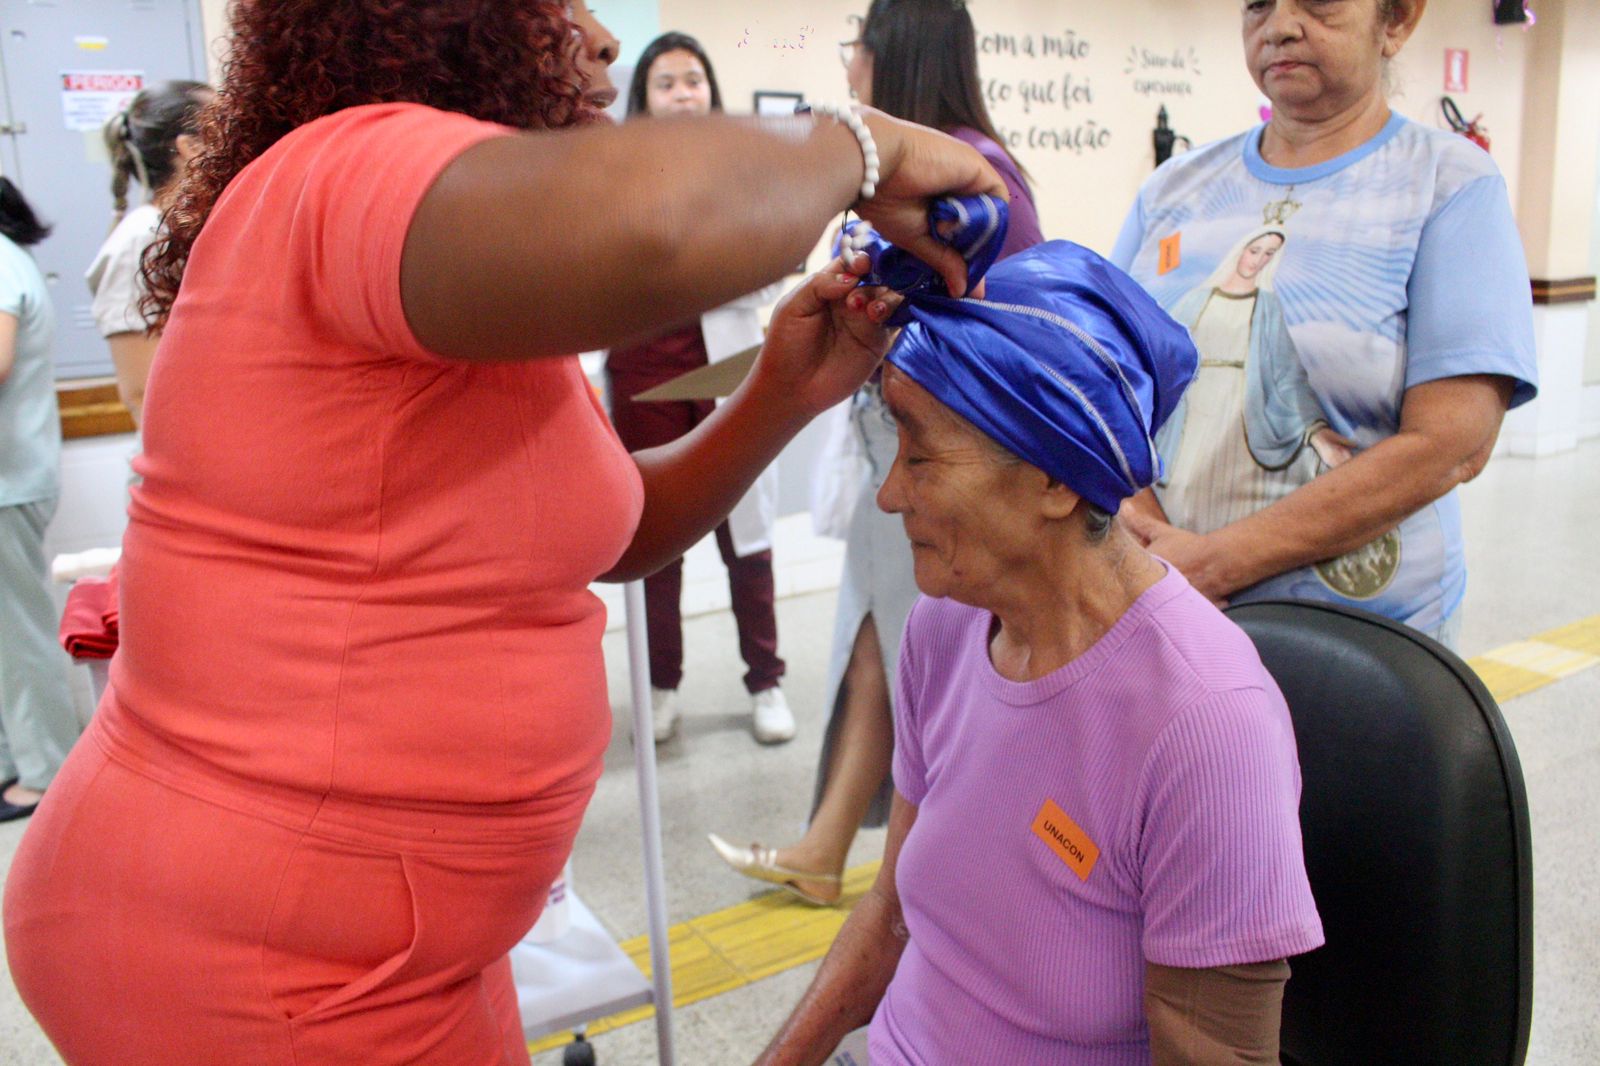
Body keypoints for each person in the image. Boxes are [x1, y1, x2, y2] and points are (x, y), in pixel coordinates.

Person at [1, 1, 1007, 1062]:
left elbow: (615, 529)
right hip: (247, 955)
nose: (603, 39)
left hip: (408, 950)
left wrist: (778, 395)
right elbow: (656, 228)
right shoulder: (341, 166)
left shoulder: (459, 311)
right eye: (560, 6)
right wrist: (867, 142)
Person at [756, 239, 1324, 1066]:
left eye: (919, 455)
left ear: (1057, 480)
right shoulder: (947, 627)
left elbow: (1214, 1053)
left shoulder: (1204, 724)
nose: (889, 493)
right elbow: (891, 912)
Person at [710, 0, 1044, 906]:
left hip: (940, 462)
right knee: (874, 650)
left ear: (896, 54)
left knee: (923, 667)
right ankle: (830, 852)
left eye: (858, 43)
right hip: (887, 455)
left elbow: (1000, 329)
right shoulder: (899, 180)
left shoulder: (975, 177)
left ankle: (922, 884)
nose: (848, 62)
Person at [1111, 0, 1537, 646]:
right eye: (1258, 4)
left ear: (1396, 20)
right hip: (1170, 612)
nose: (1280, 24)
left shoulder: (1447, 185)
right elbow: (1102, 386)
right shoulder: (1174, 189)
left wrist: (1216, 561)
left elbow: (1454, 442)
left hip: (1359, 646)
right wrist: (1151, 541)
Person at [609, 32, 793, 745]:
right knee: (656, 539)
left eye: (694, 79)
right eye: (667, 83)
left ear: (711, 92)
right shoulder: (615, 175)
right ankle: (660, 687)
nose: (684, 93)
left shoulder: (744, 168)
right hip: (644, 374)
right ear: (644, 100)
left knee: (748, 536)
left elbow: (775, 267)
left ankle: (767, 681)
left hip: (727, 367)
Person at [0, 178, 81, 824]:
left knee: (18, 633)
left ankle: (48, 769)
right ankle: (18, 759)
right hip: (12, 478)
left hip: (8, 482)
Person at [87, 80, 213, 427]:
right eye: (226, 128)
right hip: (183, 462)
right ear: (190, 147)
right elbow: (141, 392)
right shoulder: (142, 238)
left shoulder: (194, 229)